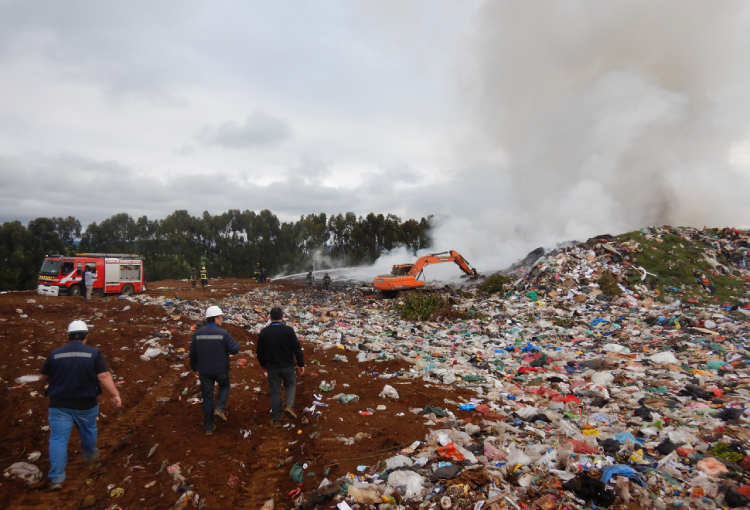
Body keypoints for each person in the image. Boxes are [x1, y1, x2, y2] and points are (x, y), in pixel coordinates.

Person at [40, 320, 122, 490]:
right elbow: (104, 375)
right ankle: (90, 456)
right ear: (86, 335)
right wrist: (115, 394)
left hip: (59, 403)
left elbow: (44, 377)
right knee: (89, 430)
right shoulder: (93, 353)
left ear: (69, 335)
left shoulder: (55, 354)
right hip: (86, 403)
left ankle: (56, 477)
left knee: (58, 438)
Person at [189, 306, 240, 435]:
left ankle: (209, 427)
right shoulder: (224, 333)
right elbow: (234, 350)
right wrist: (237, 343)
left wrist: (195, 368)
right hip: (221, 370)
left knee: (207, 397)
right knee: (225, 386)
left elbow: (192, 353)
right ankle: (219, 409)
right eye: (221, 317)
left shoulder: (198, 334)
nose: (222, 320)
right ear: (216, 318)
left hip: (204, 371)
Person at [256, 307, 305, 427]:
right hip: (287, 365)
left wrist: (263, 365)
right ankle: (289, 406)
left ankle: (277, 418)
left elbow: (259, 352)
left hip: (272, 367)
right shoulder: (288, 330)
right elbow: (296, 348)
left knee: (275, 392)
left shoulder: (264, 332)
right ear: (282, 317)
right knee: (290, 385)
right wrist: (300, 364)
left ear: (270, 317)